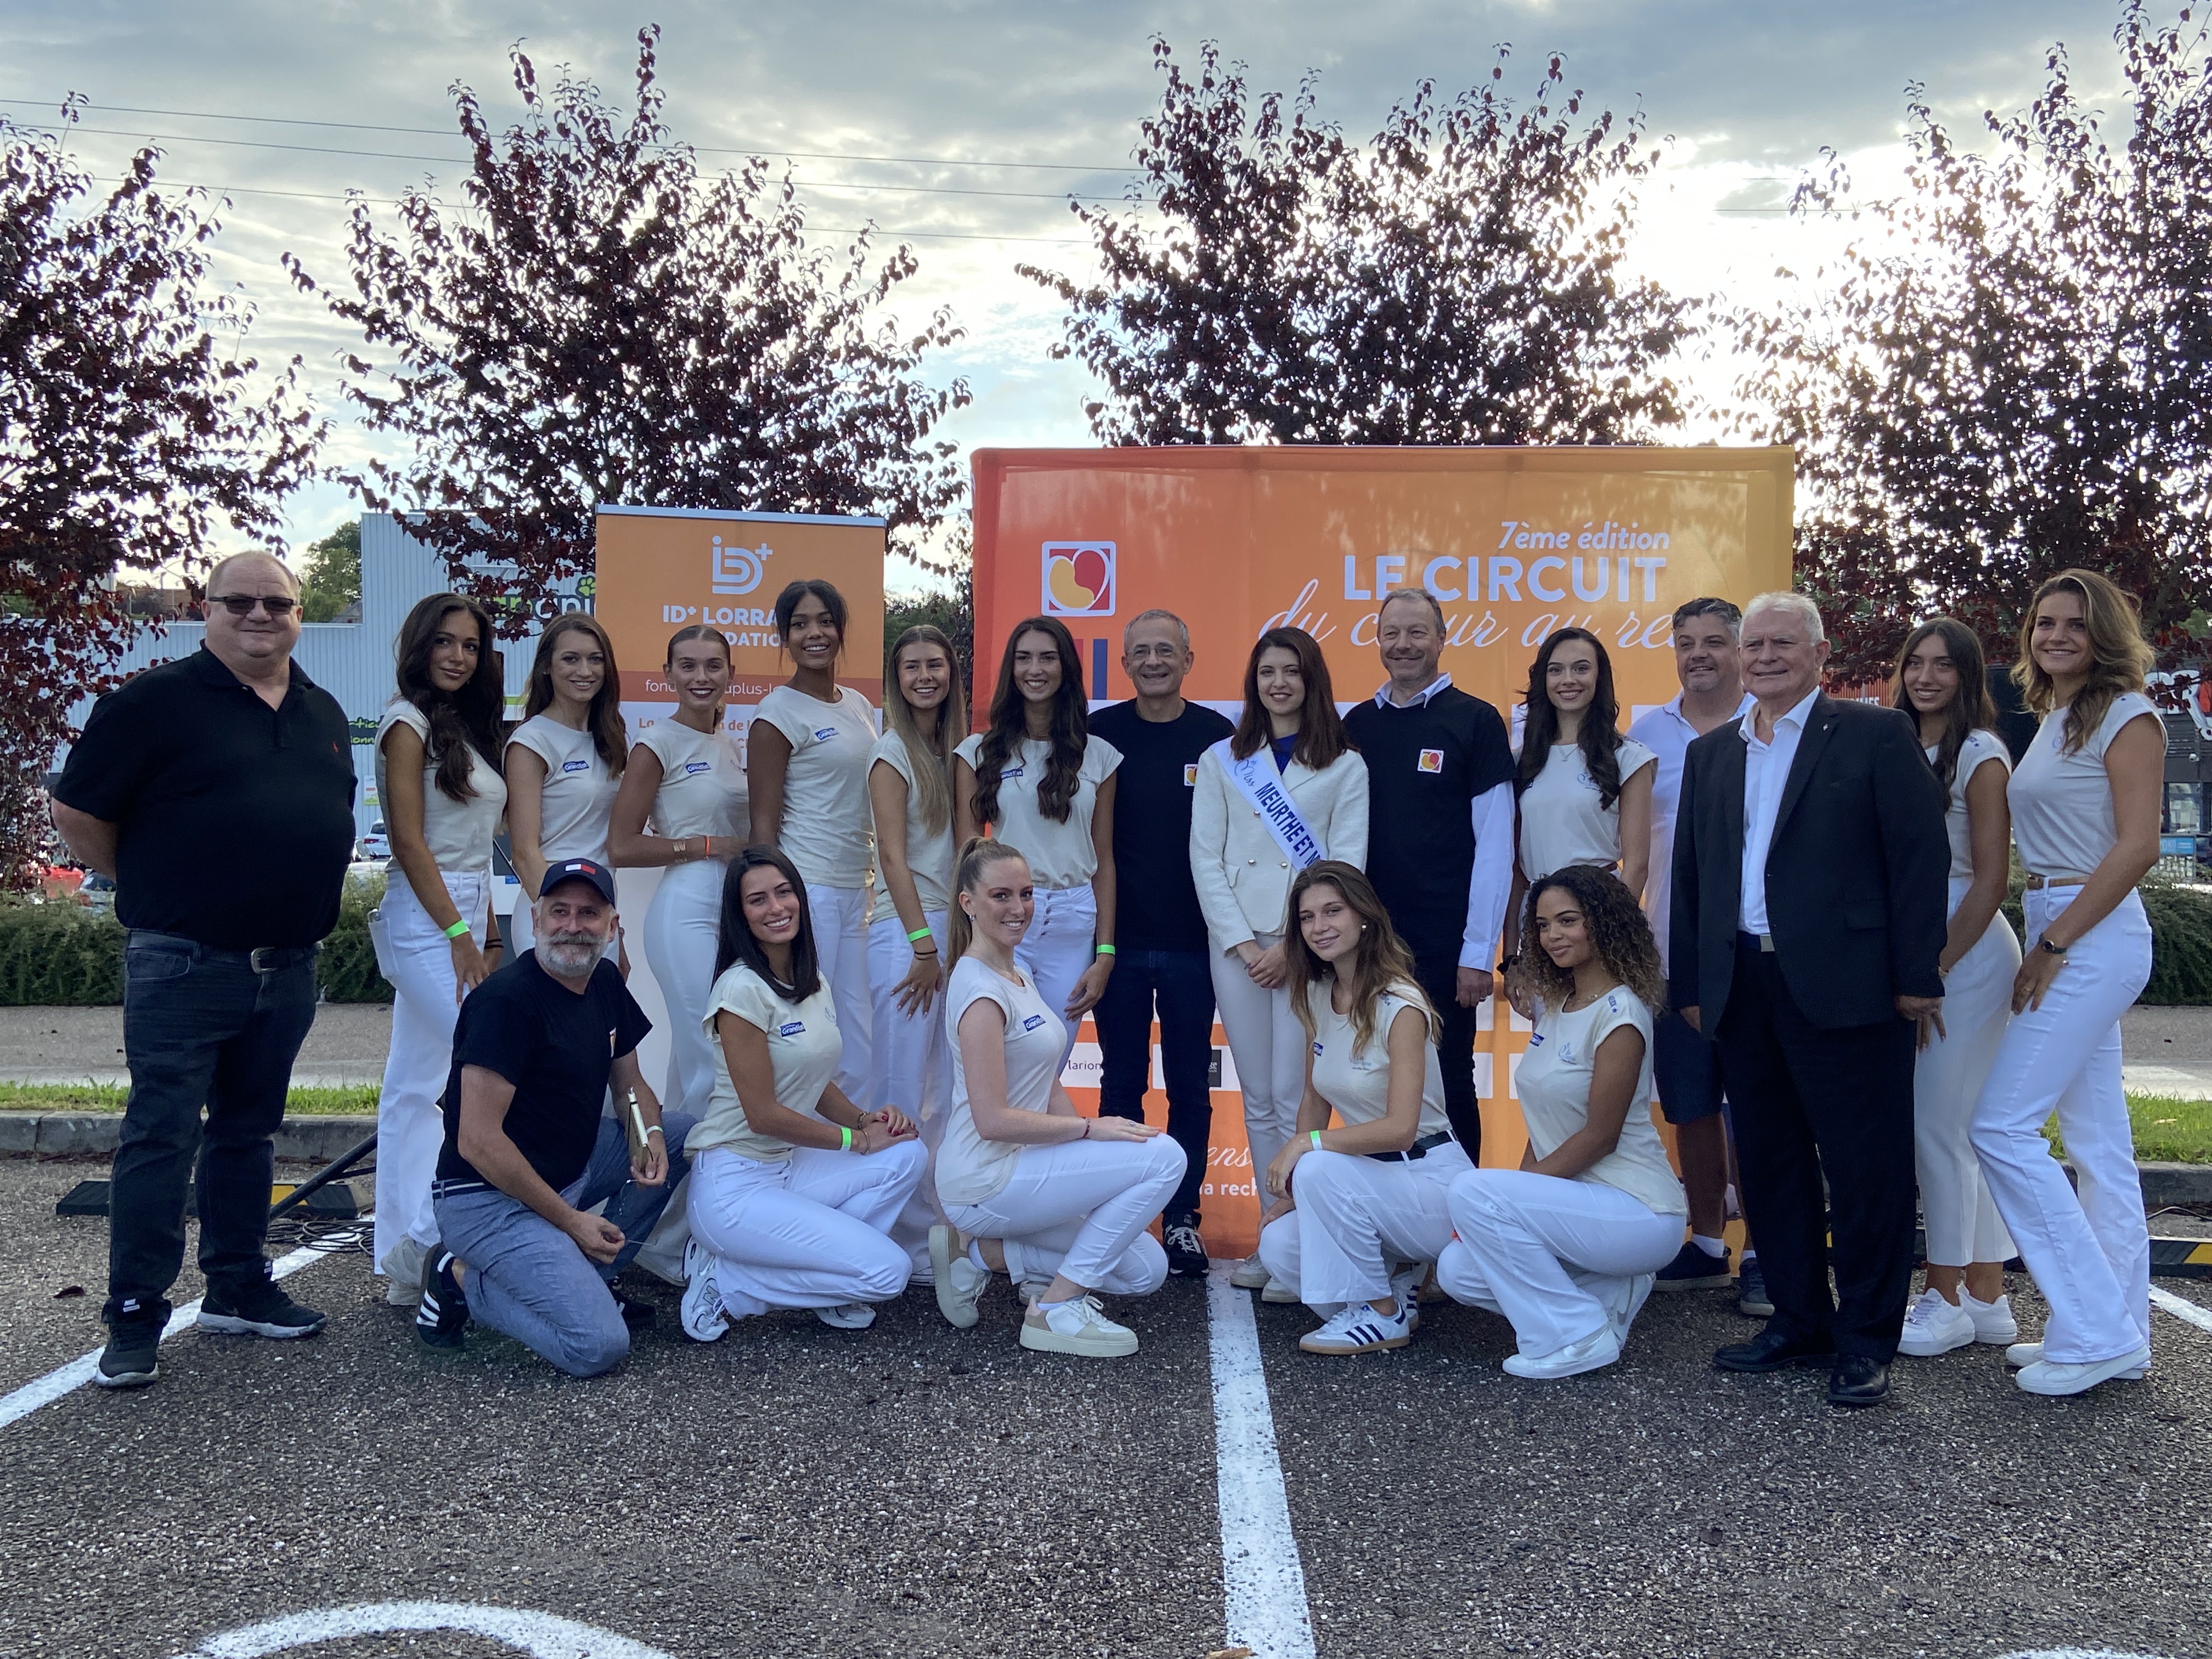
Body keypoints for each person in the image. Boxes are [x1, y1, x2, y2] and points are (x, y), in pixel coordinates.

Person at [50, 552, 355, 1388]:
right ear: (207, 609)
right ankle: (137, 1314)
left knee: (247, 1134)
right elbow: (78, 812)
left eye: (278, 603)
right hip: (185, 963)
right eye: (241, 601)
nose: (260, 615)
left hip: (287, 965)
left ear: (299, 614)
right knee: (160, 1138)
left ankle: (237, 1286)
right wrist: (154, 886)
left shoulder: (320, 710)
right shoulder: (150, 703)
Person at [1670, 590, 1949, 1408]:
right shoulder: (1714, 754)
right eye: (1751, 644)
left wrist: (1916, 977)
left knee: (1866, 1172)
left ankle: (1865, 1340)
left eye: (1780, 644)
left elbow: (1919, 859)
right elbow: (1694, 878)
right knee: (1772, 1164)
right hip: (1743, 988)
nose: (1762, 657)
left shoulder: (1872, 734)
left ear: (1819, 654)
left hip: (1850, 988)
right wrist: (1693, 986)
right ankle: (1799, 1320)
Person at [1971, 569, 2163, 1396]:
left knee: (2001, 1126)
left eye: (2074, 626)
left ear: (2104, 635)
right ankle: (2119, 1328)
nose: (2054, 636)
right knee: (2098, 1148)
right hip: (2069, 920)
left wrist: (2051, 941)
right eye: (2044, 623)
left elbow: (2137, 846)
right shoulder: (2054, 718)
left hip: (2089, 933)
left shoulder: (2129, 715)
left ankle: (2091, 1326)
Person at [415, 859, 691, 1376]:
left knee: (680, 1136)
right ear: (536, 920)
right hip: (487, 1201)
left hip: (571, 1168)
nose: (573, 925)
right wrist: (571, 1223)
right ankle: (457, 1279)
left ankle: (589, 1280)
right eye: (559, 911)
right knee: (598, 1347)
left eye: (589, 913)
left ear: (613, 927)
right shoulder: (505, 1003)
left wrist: (646, 1135)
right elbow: (476, 1140)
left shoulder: (604, 980)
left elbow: (628, 1083)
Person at [929, 839, 1184, 1358]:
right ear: (967, 903)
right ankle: (1052, 1311)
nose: (1018, 908)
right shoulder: (979, 990)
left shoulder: (1015, 972)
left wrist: (1085, 1162)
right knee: (1164, 1157)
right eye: (1000, 895)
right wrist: (1092, 1132)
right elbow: (992, 1120)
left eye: (1026, 893)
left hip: (1021, 1171)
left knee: (1144, 1270)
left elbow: (1045, 1080)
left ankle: (978, 1255)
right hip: (985, 1180)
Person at [1436, 868, 1686, 1378]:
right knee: (1458, 1271)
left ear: (1604, 923)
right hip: (1582, 1211)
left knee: (1473, 1193)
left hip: (1640, 1211)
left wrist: (1504, 1200)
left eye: (1568, 921)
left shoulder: (1622, 1012)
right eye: (1545, 925)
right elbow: (1546, 1125)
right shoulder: (1555, 1007)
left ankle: (1576, 1335)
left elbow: (1600, 1136)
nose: (1553, 936)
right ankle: (1605, 1296)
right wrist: (1508, 1202)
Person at [679, 848, 927, 1340]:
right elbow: (763, 1115)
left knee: (908, 1153)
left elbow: (813, 1081)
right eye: (758, 900)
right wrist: (853, 1142)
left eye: (784, 892)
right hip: (735, 1184)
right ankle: (726, 1283)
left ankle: (828, 1281)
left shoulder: (813, 981)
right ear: (740, 916)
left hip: (788, 1168)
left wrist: (864, 1121)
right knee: (887, 1274)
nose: (776, 908)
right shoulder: (740, 991)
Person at [1191, 625, 1369, 1296]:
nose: (1278, 683)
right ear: (1253, 681)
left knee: (1299, 1098)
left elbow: (1346, 866)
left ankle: (1304, 1237)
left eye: (1291, 671)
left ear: (1311, 679)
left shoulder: (1346, 763)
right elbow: (1206, 856)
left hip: (1311, 951)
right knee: (1260, 1099)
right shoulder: (1222, 758)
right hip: (1235, 946)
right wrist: (1244, 944)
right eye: (1267, 671)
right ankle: (1275, 1234)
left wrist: (1299, 949)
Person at [1254, 861, 1469, 1356]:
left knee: (1319, 1166)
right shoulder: (1315, 992)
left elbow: (1400, 1129)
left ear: (1365, 917)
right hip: (1371, 1186)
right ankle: (1400, 1281)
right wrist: (1296, 1194)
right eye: (1307, 918)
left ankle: (1382, 1313)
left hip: (1430, 1182)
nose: (1319, 927)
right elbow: (1315, 1096)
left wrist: (1306, 1150)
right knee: (1279, 1246)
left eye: (1333, 911)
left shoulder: (1402, 1002)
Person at [1340, 589, 1515, 1158]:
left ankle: (1461, 1226)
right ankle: (1391, 1224)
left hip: (1444, 946)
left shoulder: (1476, 721)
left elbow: (1494, 847)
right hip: (1367, 945)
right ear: (1377, 641)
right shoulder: (1355, 725)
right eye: (1392, 633)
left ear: (1442, 639)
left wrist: (1476, 954)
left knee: (1449, 1080)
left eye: (1417, 633)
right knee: (1371, 1082)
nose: (1404, 645)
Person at [369, 592, 509, 1307]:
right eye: (444, 643)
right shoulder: (407, 724)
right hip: (422, 915)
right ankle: (425, 1243)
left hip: (464, 907)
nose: (457, 656)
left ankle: (401, 1254)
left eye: (470, 645)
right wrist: (459, 933)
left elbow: (477, 849)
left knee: (414, 1089)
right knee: (486, 1068)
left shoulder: (468, 730)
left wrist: (485, 931)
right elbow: (409, 841)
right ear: (420, 646)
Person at [1087, 609, 1235, 1279]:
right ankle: (1114, 1217)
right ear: (1123, 664)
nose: (1153, 661)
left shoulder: (1218, 738)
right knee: (1120, 1082)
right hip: (1116, 943)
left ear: (1188, 659)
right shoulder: (1099, 734)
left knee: (1189, 1091)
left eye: (1165, 650)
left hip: (1193, 946)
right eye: (1140, 652)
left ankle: (1181, 1220)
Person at [1624, 600, 1762, 1307]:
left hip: (1756, 949)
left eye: (1714, 642)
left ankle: (1767, 1250)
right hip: (1669, 950)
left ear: (1741, 650)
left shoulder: (1772, 726)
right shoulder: (1648, 734)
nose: (1699, 654)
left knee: (1761, 1102)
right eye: (1686, 643)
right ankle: (1707, 1243)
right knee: (1691, 1104)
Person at [1892, 619, 2023, 1358]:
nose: (1927, 676)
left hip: (1963, 953)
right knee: (1958, 1128)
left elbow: (1992, 879)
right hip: (1922, 950)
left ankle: (1943, 1298)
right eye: (1916, 662)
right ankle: (1987, 1295)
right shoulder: (1897, 742)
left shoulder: (1980, 752)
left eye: (1945, 665)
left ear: (1968, 676)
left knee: (1938, 1128)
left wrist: (1930, 973)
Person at [955, 616, 1121, 1063]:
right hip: (1002, 916)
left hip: (1073, 922)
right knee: (1000, 1057)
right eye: (1024, 658)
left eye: (1048, 658)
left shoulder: (1100, 755)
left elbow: (1102, 857)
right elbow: (968, 849)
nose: (1036, 669)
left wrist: (1105, 952)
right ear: (1011, 668)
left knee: (1050, 1061)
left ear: (1066, 668)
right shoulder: (977, 751)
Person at [749, 579, 878, 1104]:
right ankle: (801, 1150)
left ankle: (853, 1146)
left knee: (859, 1033)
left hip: (860, 891)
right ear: (784, 636)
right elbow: (763, 825)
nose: (814, 633)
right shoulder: (775, 713)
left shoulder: (861, 707)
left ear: (841, 630)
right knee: (813, 1029)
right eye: (799, 624)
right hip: (809, 889)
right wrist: (772, 899)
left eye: (824, 621)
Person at [609, 626, 747, 1118]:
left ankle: (669, 1191)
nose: (701, 676)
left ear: (731, 673)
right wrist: (707, 845)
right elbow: (621, 845)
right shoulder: (656, 744)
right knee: (713, 1055)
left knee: (688, 1062)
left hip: (732, 912)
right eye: (688, 666)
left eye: (713, 665)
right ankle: (711, 1184)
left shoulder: (728, 744)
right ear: (667, 674)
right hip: (684, 912)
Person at [866, 625, 968, 1273]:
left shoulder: (956, 748)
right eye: (912, 667)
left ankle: (939, 1227)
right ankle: (898, 1237)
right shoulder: (891, 751)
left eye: (935, 665)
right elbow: (893, 859)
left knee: (951, 1090)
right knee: (901, 1089)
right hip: (906, 934)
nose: (925, 676)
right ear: (896, 679)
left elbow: (962, 850)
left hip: (952, 928)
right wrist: (925, 948)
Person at [1504, 627, 1656, 947]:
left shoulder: (1629, 757)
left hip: (1600, 917)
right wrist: (1511, 953)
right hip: (1538, 923)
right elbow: (1516, 870)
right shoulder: (1520, 762)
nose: (1568, 680)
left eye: (1581, 668)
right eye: (1556, 670)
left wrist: (1609, 934)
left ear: (1600, 678)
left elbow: (1637, 865)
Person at [505, 615, 626, 958]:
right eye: (571, 659)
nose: (585, 671)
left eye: (595, 659)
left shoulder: (611, 738)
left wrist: (615, 928)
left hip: (600, 914)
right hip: (556, 918)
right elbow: (525, 853)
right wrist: (561, 918)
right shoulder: (532, 741)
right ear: (546, 666)